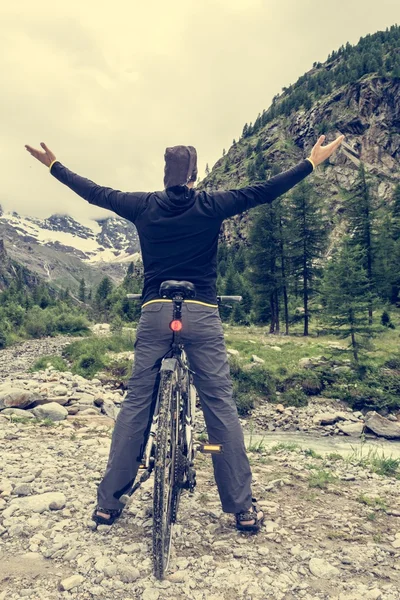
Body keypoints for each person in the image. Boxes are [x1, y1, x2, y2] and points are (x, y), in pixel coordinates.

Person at [25, 134, 344, 532]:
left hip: (155, 311)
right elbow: (264, 192)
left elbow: (95, 193)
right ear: (193, 176)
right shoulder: (211, 204)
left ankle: (108, 504)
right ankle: (242, 510)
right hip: (203, 312)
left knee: (137, 402)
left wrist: (55, 166)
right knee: (220, 405)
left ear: (165, 176)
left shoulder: (142, 204)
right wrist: (310, 163)